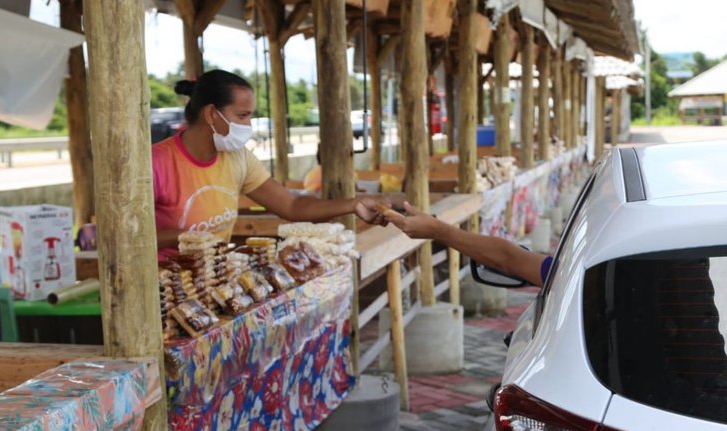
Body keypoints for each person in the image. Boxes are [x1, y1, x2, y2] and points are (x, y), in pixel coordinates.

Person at [152, 70, 389, 260]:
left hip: (213, 276)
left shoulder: (238, 157)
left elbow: (292, 206)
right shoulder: (157, 164)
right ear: (211, 114)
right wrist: (182, 237)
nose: (248, 125)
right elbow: (125, 238)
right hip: (163, 288)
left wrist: (354, 204)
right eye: (242, 116)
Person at [384, 202, 552, 287]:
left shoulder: (568, 273)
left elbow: (507, 257)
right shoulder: (572, 271)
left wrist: (436, 230)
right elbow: (506, 257)